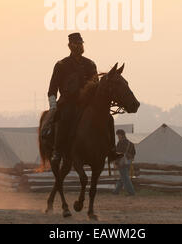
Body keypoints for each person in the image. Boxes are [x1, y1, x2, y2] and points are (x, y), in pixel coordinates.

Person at [47, 32, 123, 165]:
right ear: (70, 46)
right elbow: (52, 88)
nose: (80, 46)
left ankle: (111, 150)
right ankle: (58, 151)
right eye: (77, 44)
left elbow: (96, 86)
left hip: (87, 103)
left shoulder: (90, 64)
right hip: (68, 102)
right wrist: (53, 105)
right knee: (65, 117)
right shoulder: (61, 65)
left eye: (81, 43)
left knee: (108, 119)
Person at [113, 129, 136, 196]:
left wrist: (117, 163)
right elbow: (134, 153)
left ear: (121, 135)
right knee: (122, 177)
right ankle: (116, 191)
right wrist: (129, 158)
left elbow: (117, 154)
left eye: (118, 135)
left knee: (125, 177)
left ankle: (131, 192)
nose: (118, 136)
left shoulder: (120, 143)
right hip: (128, 162)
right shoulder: (130, 143)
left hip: (121, 162)